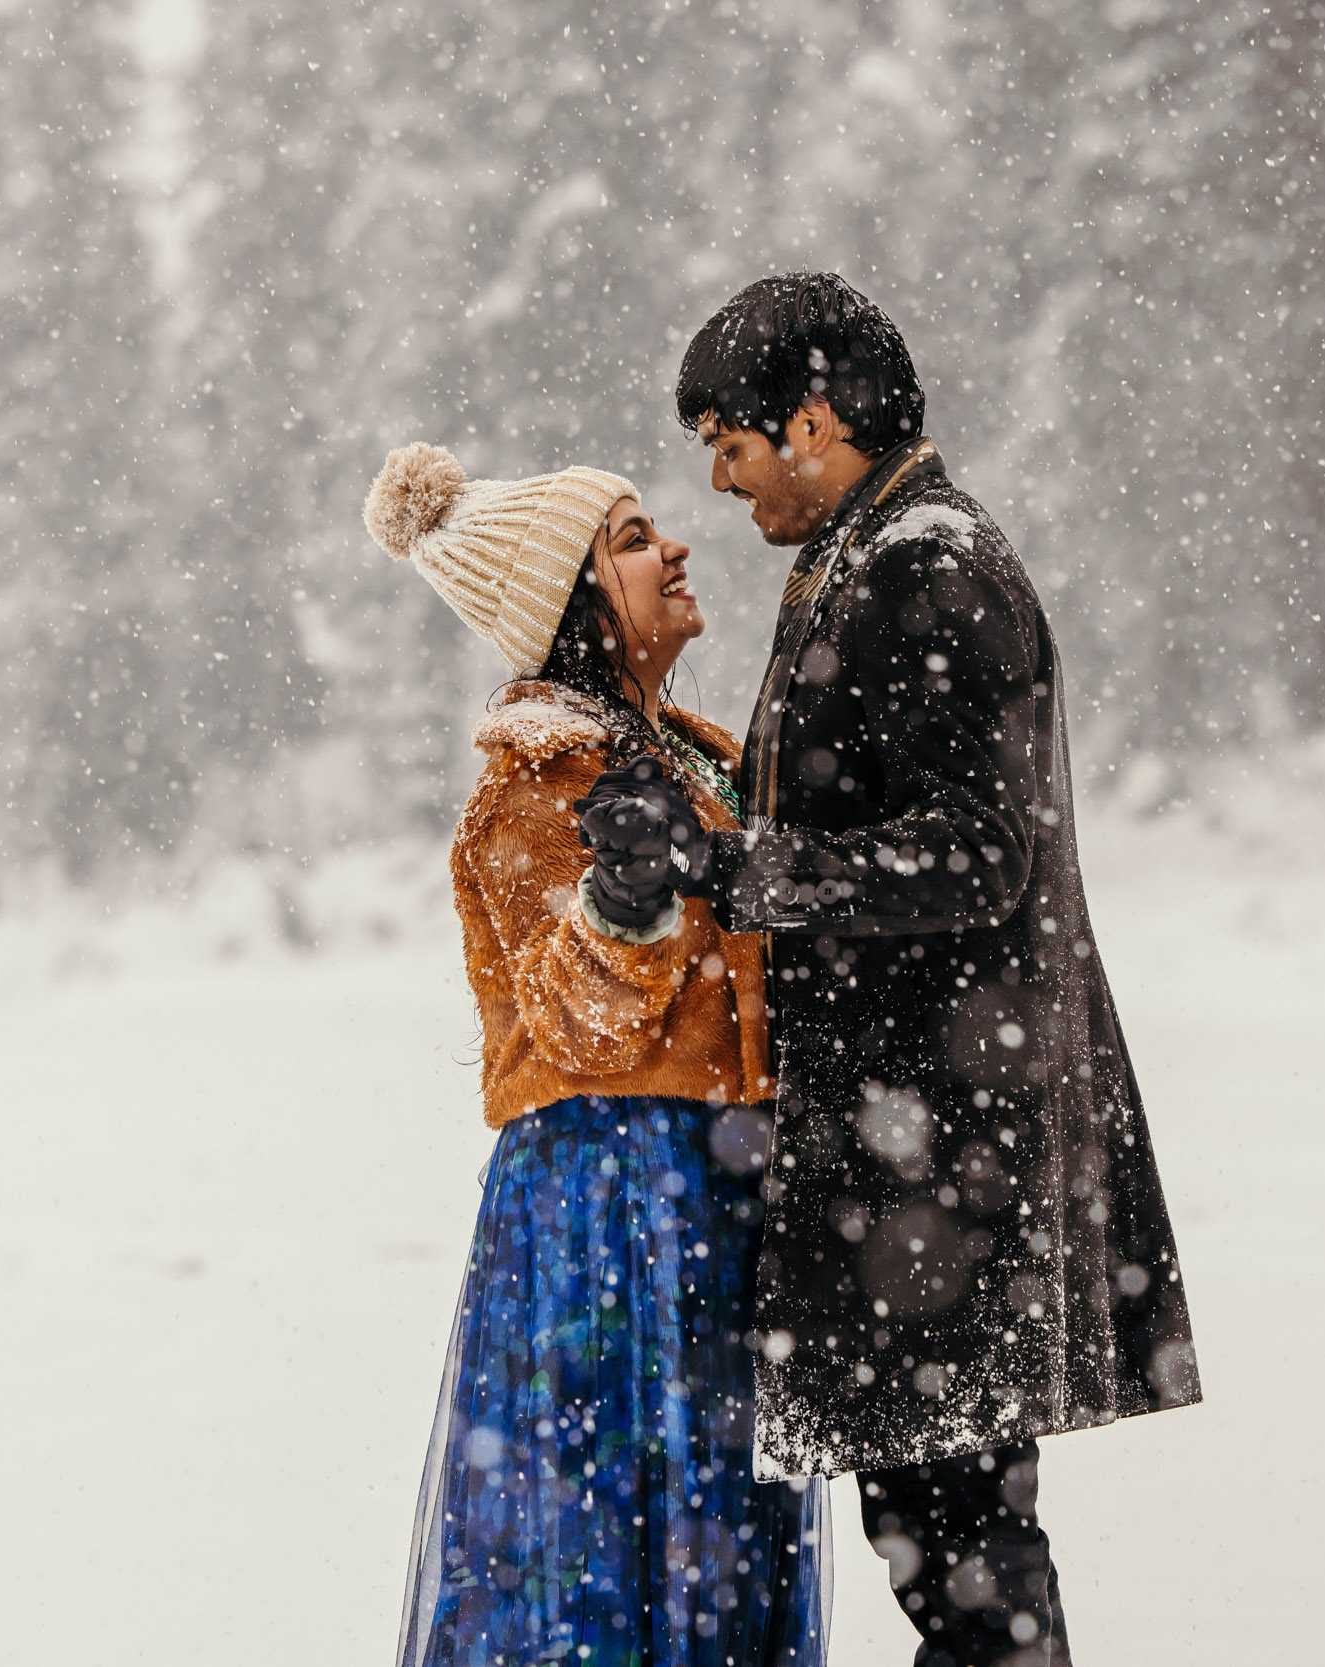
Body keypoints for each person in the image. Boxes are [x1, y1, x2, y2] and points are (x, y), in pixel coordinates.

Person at [579, 272, 1206, 1666]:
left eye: (730, 451)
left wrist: (736, 873)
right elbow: (863, 812)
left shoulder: (929, 562)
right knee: (952, 1542)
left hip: (945, 1147)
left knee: (969, 1558)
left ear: (811, 423)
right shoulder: (869, 550)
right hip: (919, 1141)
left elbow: (975, 854)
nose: (728, 490)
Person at [366, 442, 831, 1667]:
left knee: (715, 1555)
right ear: (568, 607)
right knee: (597, 1550)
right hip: (606, 1210)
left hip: (718, 1200)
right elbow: (570, 1030)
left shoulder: (701, 755)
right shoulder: (529, 795)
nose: (671, 544)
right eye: (629, 539)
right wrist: (625, 897)